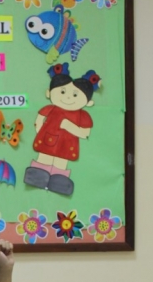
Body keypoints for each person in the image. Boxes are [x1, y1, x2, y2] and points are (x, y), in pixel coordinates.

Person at [23, 62, 101, 196]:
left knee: (61, 162)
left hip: (66, 144)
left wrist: (70, 126)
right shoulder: (51, 109)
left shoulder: (83, 116)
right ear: (49, 93)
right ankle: (37, 178)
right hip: (47, 140)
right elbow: (39, 119)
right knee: (44, 158)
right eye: (63, 92)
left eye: (75, 95)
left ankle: (58, 183)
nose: (68, 97)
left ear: (88, 103)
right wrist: (41, 132)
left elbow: (85, 134)